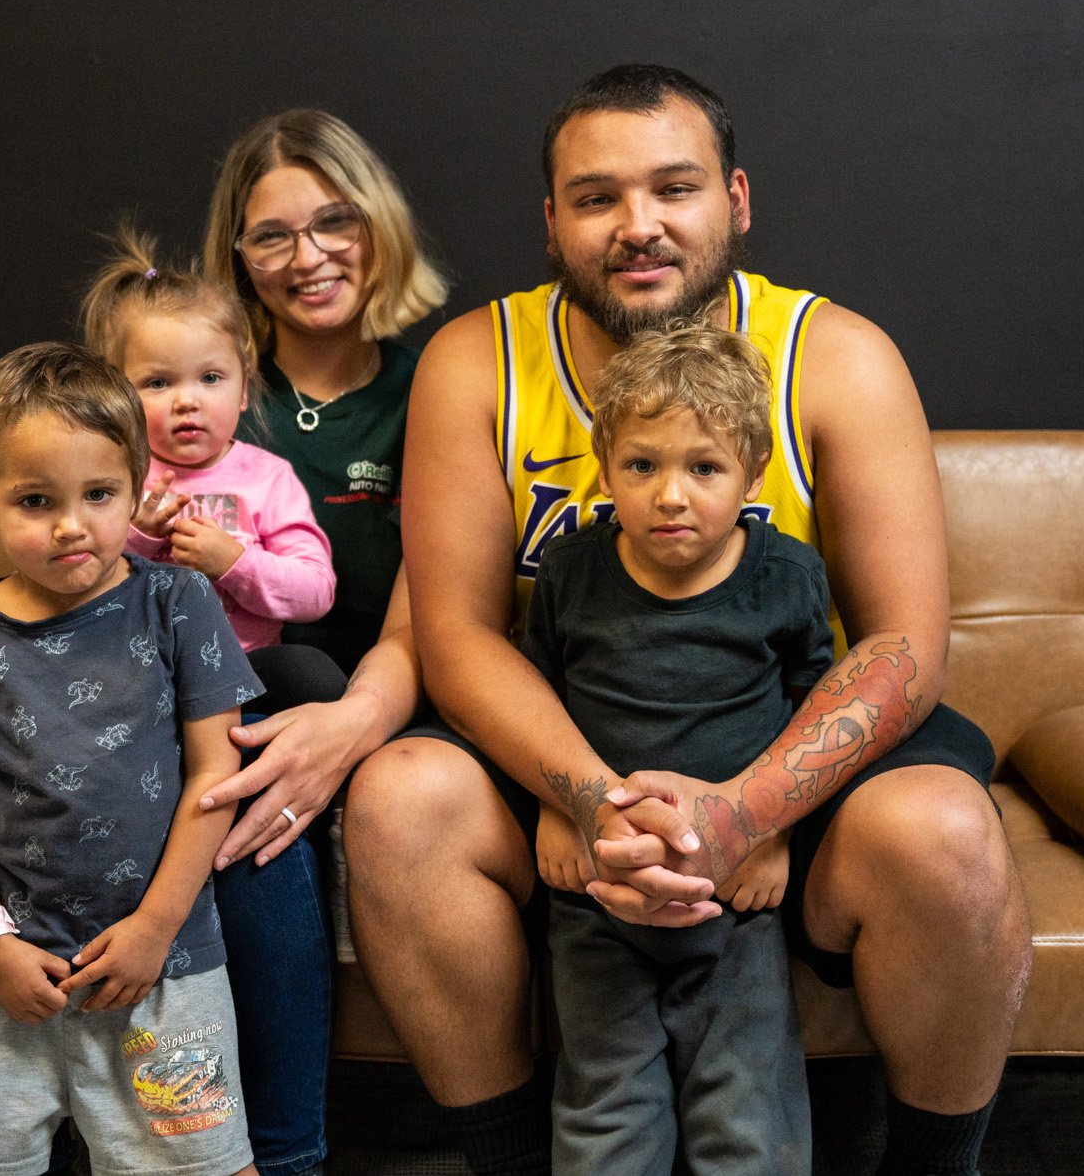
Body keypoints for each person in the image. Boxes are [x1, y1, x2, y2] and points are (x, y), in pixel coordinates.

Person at [343, 65, 1032, 1176]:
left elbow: (900, 644)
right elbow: (458, 633)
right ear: (552, 221)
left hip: (785, 737)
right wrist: (586, 797)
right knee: (396, 803)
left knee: (945, 834)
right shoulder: (476, 361)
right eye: (595, 196)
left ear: (737, 199)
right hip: (566, 736)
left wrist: (748, 812)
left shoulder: (835, 356)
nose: (638, 226)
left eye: (675, 187)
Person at [0, 108, 447, 1176]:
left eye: (335, 221)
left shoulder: (438, 384)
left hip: (315, 676)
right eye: (270, 233)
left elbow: (430, 604)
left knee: (245, 775)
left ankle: (274, 1150)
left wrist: (342, 709)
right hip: (139, 663)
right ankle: (6, 1119)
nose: (307, 255)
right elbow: (51, 520)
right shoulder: (164, 373)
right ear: (234, 259)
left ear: (378, 227)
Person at [0, 341, 259, 1176]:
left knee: (209, 1165)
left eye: (100, 494)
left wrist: (154, 928)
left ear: (137, 488)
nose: (71, 525)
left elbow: (216, 775)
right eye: (35, 499)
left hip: (164, 973)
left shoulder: (179, 603)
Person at [528, 320, 823, 1174]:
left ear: (752, 474)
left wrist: (776, 831)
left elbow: (816, 714)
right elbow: (533, 695)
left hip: (733, 897)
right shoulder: (572, 570)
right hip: (596, 893)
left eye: (704, 468)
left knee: (747, 1104)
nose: (670, 495)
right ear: (605, 464)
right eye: (642, 465)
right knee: (604, 1104)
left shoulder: (786, 574)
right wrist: (558, 810)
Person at [79, 234, 337, 653]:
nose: (187, 401)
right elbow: (74, 581)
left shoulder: (269, 479)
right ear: (119, 393)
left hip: (249, 666)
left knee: (312, 673)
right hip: (144, 664)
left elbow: (316, 592)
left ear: (244, 389)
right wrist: (137, 538)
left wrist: (234, 563)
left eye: (211, 378)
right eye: (158, 382)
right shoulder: (111, 473)